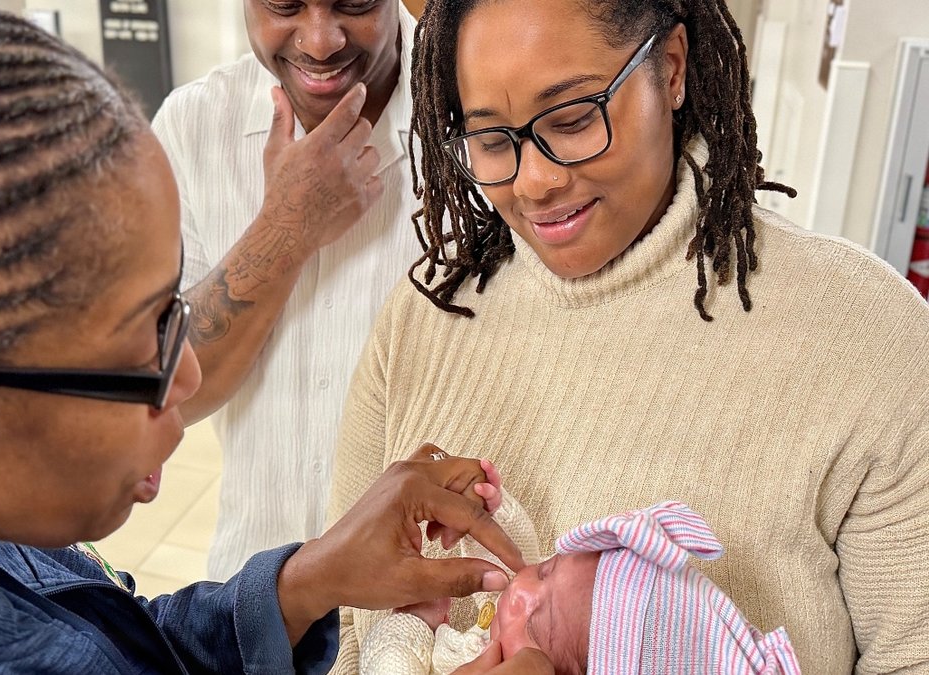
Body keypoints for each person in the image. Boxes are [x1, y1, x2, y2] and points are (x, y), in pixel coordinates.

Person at [0, 1, 527, 671]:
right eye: (139, 342)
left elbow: (128, 640)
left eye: (171, 314)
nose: (184, 376)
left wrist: (303, 583)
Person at [329, 0, 929, 671]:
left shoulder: (871, 342)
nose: (536, 180)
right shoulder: (423, 320)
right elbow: (354, 638)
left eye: (573, 119)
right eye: (493, 141)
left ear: (670, 69)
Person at [152, 0, 425, 581]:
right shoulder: (193, 126)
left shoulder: (479, 111)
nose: (320, 41)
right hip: (256, 593)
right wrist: (288, 227)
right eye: (284, 5)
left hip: (435, 617)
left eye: (353, 3)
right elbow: (167, 390)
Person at [361, 501, 801, 674]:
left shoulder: (479, 660)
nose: (523, 590)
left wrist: (417, 622)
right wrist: (490, 509)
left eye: (540, 624)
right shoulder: (504, 621)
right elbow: (518, 557)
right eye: (548, 569)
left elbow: (385, 662)